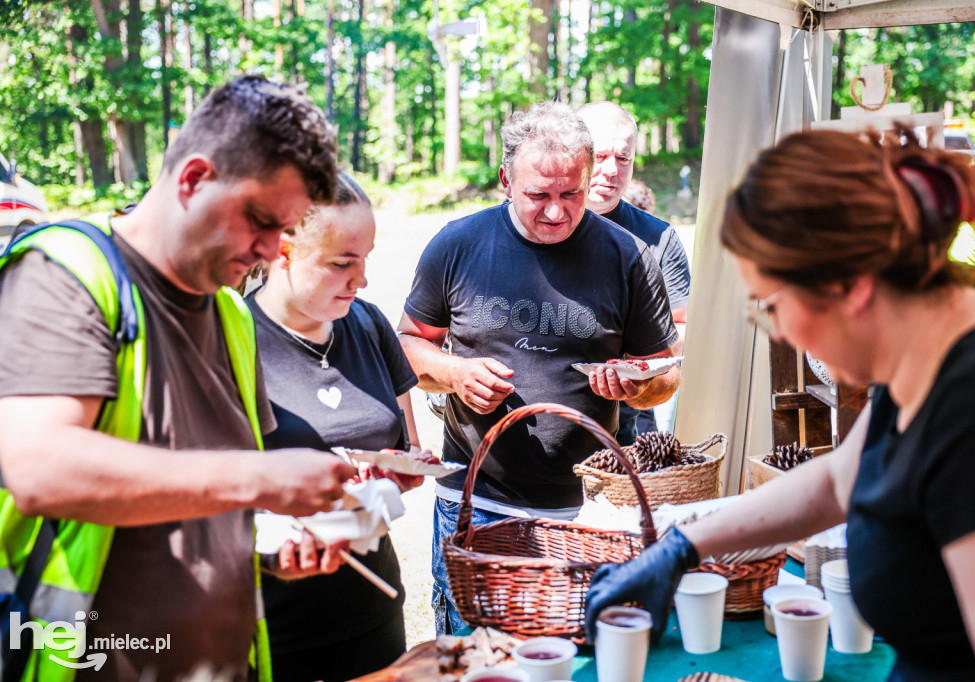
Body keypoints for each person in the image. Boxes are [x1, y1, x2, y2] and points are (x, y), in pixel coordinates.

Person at [586, 127, 975, 681]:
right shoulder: (922, 363)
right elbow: (838, 480)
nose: (780, 330)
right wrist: (680, 546)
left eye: (772, 305)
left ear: (851, 285)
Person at [0, 75, 356, 680]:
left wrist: (269, 543)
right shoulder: (66, 275)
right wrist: (260, 478)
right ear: (192, 179)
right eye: (260, 221)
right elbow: (39, 468)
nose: (271, 251)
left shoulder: (231, 314)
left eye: (285, 231)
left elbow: (201, 497)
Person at [397, 100, 681, 635]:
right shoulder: (457, 244)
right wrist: (455, 373)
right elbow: (407, 346)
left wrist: (636, 386)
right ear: (506, 180)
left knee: (577, 659)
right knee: (474, 660)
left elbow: (665, 376)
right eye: (538, 196)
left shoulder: (627, 256)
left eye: (570, 194)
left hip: (591, 513)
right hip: (475, 503)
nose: (555, 212)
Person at [246, 172, 423, 681]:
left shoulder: (368, 323)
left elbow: (402, 448)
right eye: (342, 263)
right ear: (282, 250)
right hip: (273, 620)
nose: (361, 278)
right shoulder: (232, 340)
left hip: (373, 610)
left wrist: (393, 475)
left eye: (366, 257)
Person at [577, 101, 691, 443]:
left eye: (623, 158)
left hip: (620, 431)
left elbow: (682, 326)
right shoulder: (540, 223)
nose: (612, 170)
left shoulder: (659, 237)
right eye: (600, 156)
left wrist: (635, 360)